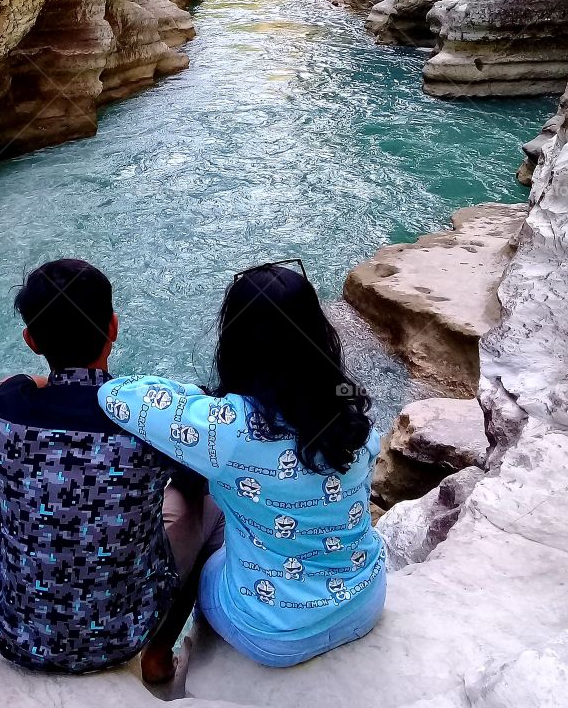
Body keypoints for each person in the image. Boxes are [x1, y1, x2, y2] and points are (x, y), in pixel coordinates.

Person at [99, 260, 386, 671]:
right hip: (364, 603)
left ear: (236, 343)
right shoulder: (350, 414)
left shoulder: (226, 427)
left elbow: (116, 395)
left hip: (272, 634)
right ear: (317, 334)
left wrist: (196, 397)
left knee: (194, 495)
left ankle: (160, 654)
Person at [0, 258, 219, 677]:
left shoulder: (3, 407)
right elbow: (203, 420)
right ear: (113, 327)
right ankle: (159, 654)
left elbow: (25, 382)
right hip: (120, 637)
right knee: (208, 501)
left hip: (11, 633)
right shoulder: (147, 422)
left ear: (31, 341)